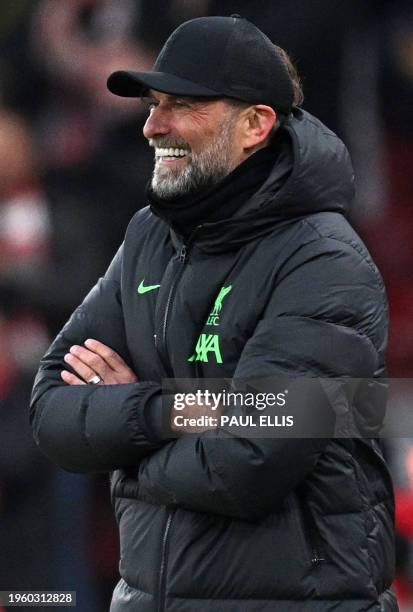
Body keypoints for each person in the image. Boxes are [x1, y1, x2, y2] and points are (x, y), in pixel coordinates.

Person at [30, 15, 398, 612]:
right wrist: (163, 411)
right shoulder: (149, 235)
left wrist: (123, 453)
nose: (152, 125)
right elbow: (50, 409)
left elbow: (248, 458)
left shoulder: (323, 260)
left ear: (255, 124)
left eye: (182, 104)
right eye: (154, 104)